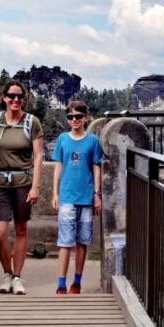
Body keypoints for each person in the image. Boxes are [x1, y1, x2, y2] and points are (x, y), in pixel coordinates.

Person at [0, 79, 44, 295]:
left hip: (23, 182)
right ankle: (7, 273)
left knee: (21, 230)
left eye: (19, 96)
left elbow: (39, 155)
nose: (16, 100)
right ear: (4, 98)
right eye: (12, 96)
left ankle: (17, 277)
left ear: (24, 99)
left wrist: (35, 187)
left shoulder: (32, 122)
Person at [51, 100, 103, 295]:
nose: (74, 120)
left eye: (78, 116)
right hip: (67, 197)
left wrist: (97, 195)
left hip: (87, 197)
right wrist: (55, 193)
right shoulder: (63, 139)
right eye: (71, 117)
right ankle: (61, 283)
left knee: (82, 241)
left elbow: (96, 167)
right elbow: (58, 166)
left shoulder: (92, 141)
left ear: (86, 118)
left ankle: (77, 282)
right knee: (65, 242)